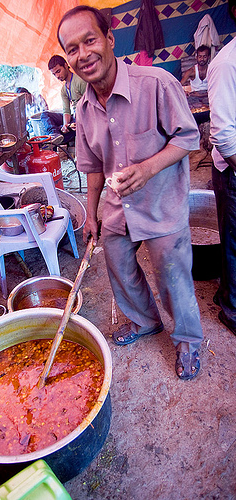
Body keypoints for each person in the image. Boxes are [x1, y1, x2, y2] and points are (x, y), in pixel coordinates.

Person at [57, 5, 204, 380]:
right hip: (117, 207)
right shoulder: (84, 108)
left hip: (161, 204)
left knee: (172, 274)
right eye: (72, 48)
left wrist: (149, 167)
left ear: (109, 39)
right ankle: (144, 321)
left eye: (89, 40)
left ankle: (187, 338)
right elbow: (91, 170)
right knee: (118, 264)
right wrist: (91, 216)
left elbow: (189, 137)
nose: (83, 54)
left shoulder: (156, 83)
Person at [207, 0, 236, 336]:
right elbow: (225, 138)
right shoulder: (226, 64)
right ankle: (232, 309)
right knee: (233, 240)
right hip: (232, 170)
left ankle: (226, 291)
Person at [48, 55, 86, 141]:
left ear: (65, 65)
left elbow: (91, 105)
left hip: (83, 119)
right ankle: (55, 136)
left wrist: (79, 121)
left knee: (57, 134)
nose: (57, 76)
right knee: (45, 116)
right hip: (73, 121)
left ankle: (55, 138)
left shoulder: (80, 81)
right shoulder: (63, 90)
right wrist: (65, 125)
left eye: (58, 71)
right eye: (54, 74)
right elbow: (66, 110)